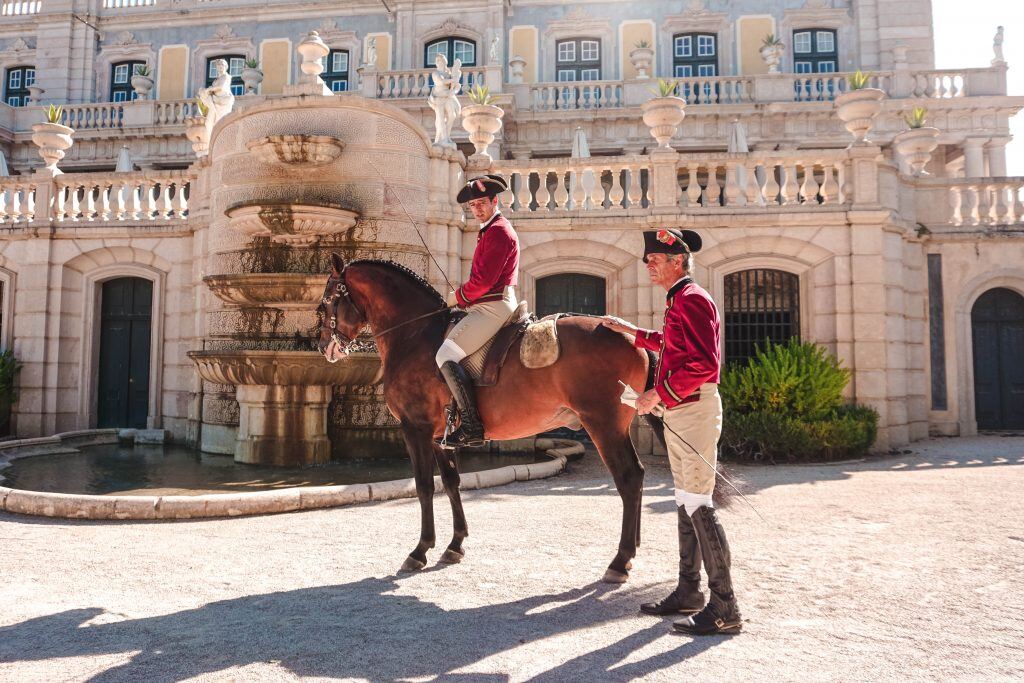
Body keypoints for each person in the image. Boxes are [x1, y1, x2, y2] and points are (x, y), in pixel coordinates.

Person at [602, 228, 742, 636]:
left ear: (677, 261)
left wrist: (656, 394)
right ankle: (688, 591)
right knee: (686, 500)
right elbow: (673, 345)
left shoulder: (693, 298)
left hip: (694, 408)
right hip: (684, 409)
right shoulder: (680, 298)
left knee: (699, 503)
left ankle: (725, 606)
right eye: (648, 260)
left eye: (655, 259)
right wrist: (632, 332)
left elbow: (704, 363)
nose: (648, 265)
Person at [437, 174, 519, 447]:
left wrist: (457, 297)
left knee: (445, 354)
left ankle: (472, 427)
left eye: (482, 203)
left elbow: (483, 282)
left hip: (493, 306)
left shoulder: (498, 232)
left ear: (495, 201)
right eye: (473, 205)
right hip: (487, 303)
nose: (477, 209)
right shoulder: (489, 230)